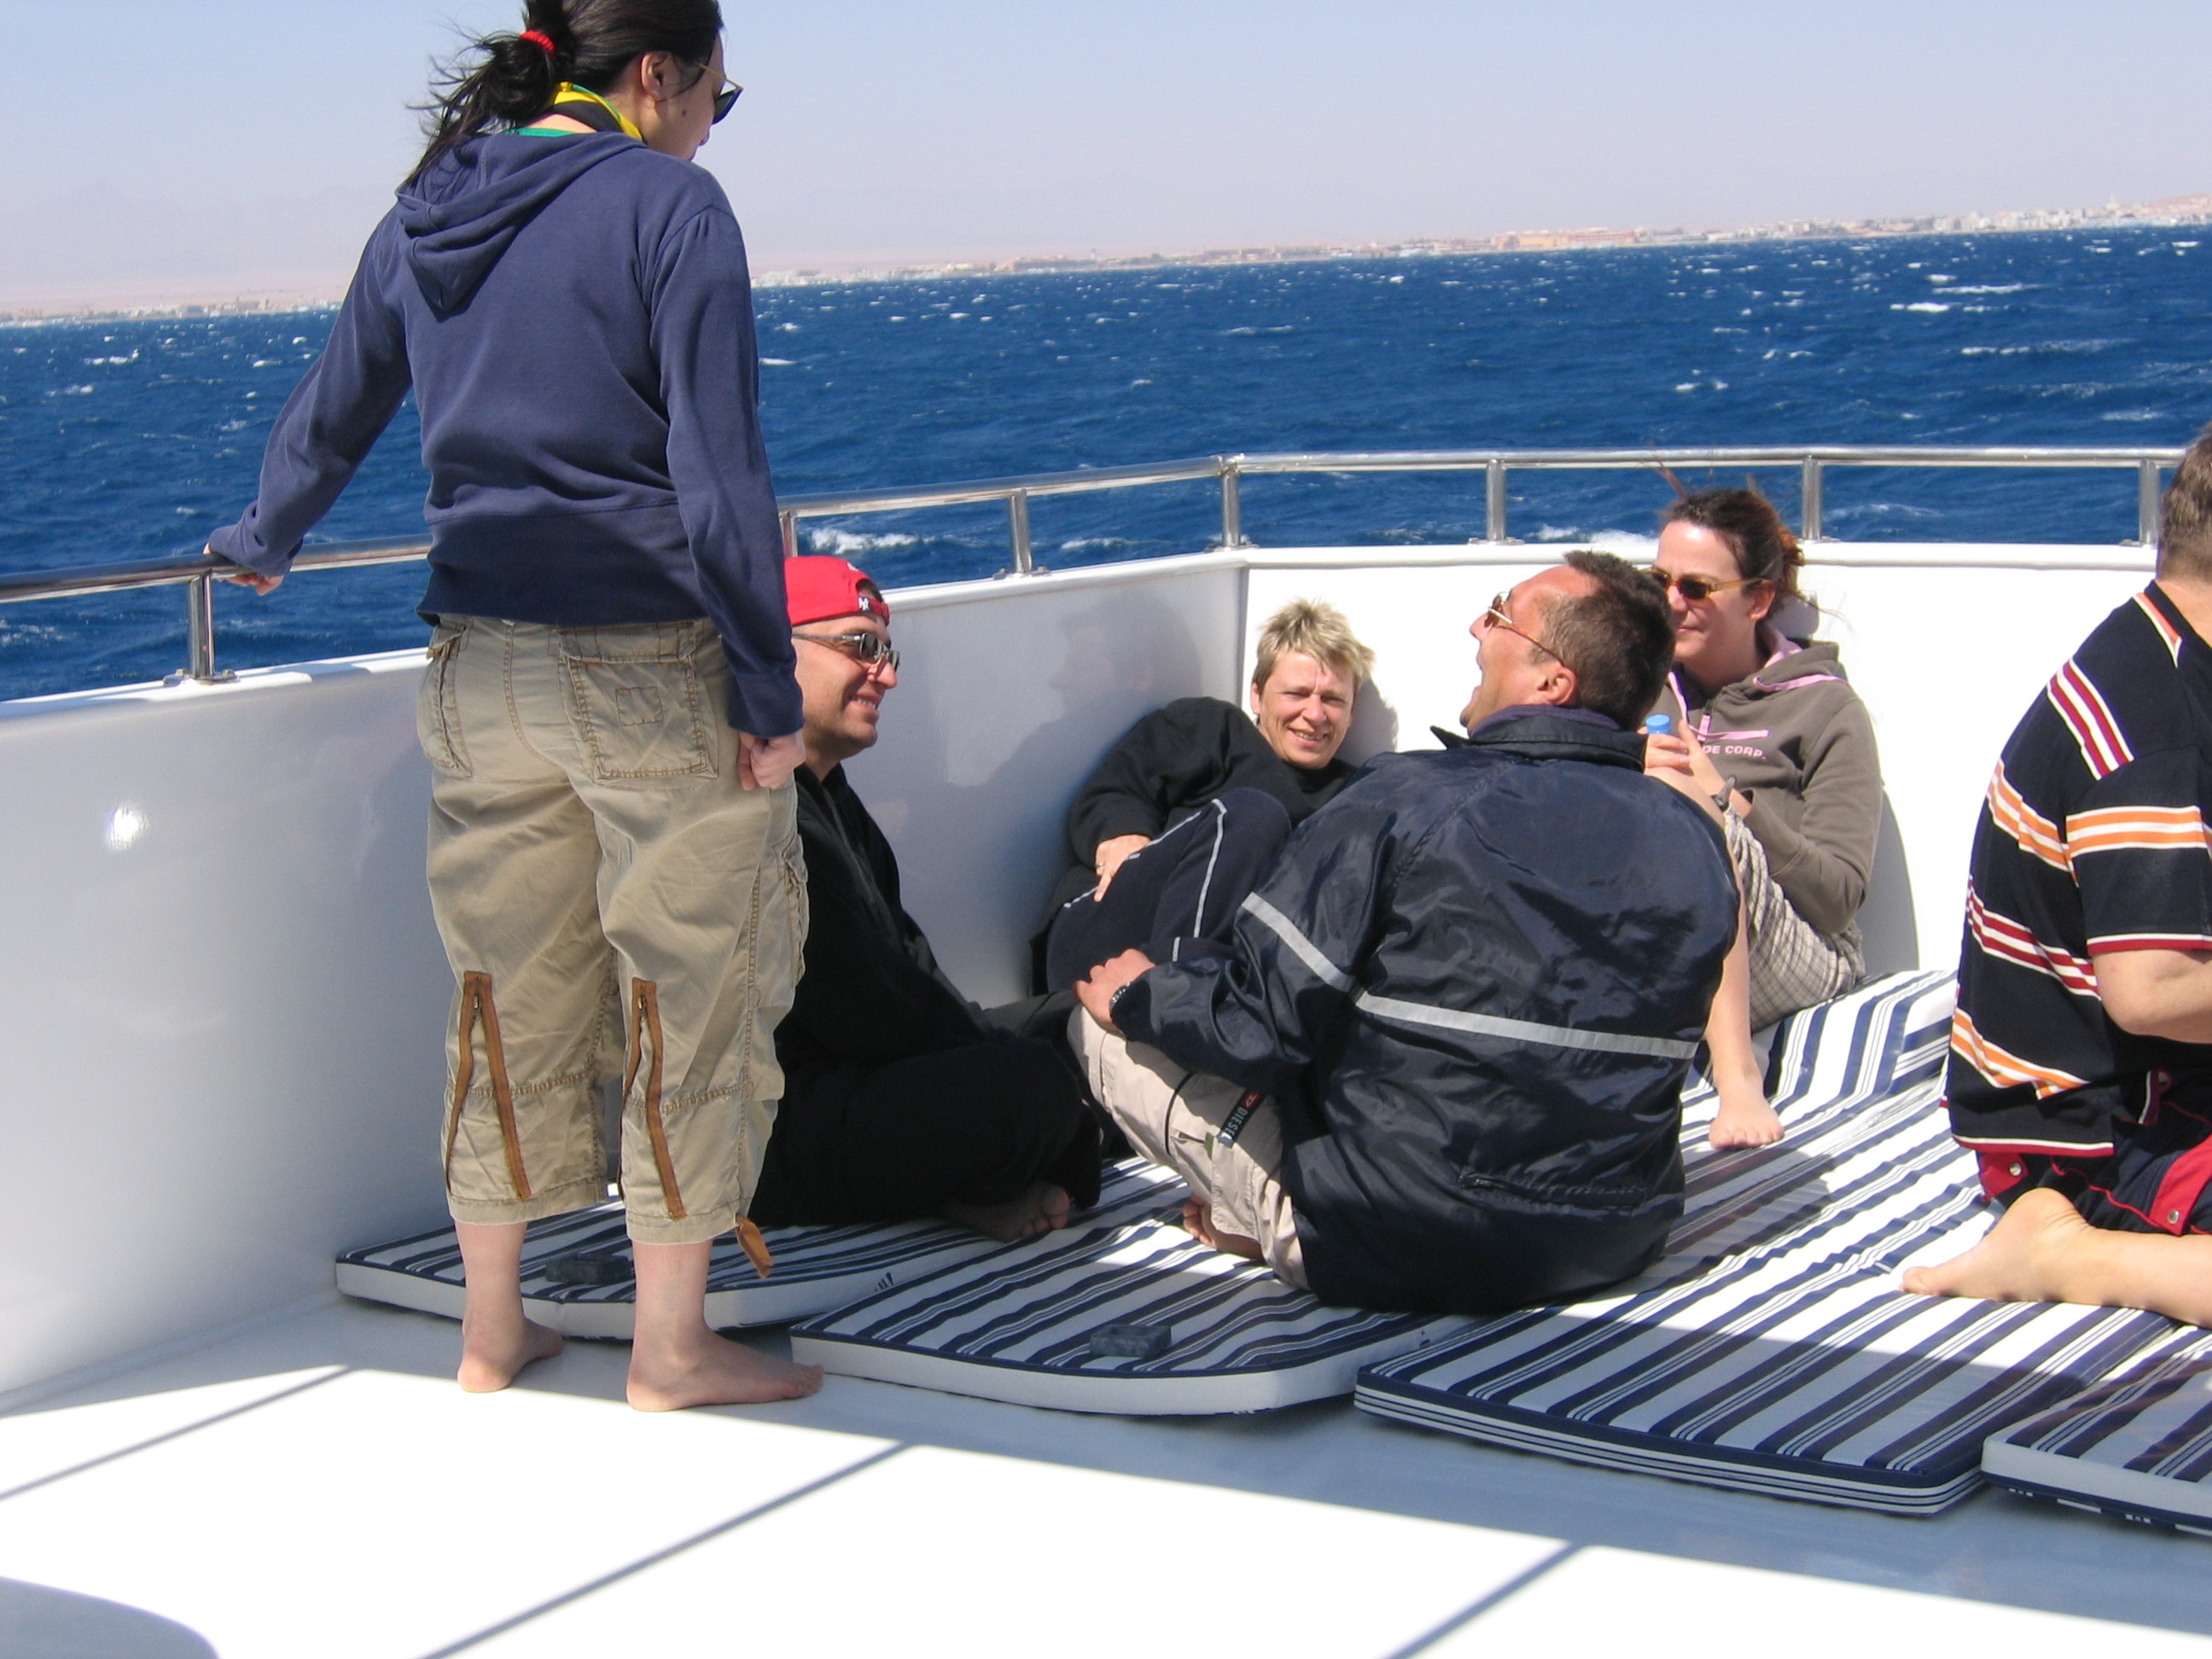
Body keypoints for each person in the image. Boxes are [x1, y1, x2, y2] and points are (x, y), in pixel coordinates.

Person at [204, 2, 823, 1409]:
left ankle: (492, 1330)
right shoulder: (670, 206)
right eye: (718, 98)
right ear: (656, 75)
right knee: (692, 987)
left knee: (503, 989)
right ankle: (671, 1349)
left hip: (478, 660)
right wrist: (765, 680)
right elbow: (720, 469)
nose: (711, 127)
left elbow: (340, 396)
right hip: (649, 657)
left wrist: (265, 533)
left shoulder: (431, 202)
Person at [1072, 554, 1738, 1315]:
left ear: (1553, 683)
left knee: (1099, 1027)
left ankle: (1266, 1220)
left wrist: (1145, 994)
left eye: (1499, 613)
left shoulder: (1400, 799)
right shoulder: (1694, 837)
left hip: (1401, 1241)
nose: (1477, 626)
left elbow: (1258, 1028)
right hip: (1613, 1234)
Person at [1903, 429, 2212, 1327]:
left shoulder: (2163, 657)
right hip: (2095, 1134)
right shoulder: (2151, 733)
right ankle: (2067, 1251)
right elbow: (2154, 991)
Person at [749, 556, 1103, 1239]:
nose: (886, 675)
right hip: (774, 1133)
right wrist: (1031, 1082)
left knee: (1078, 1023)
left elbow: (913, 971)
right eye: (862, 647)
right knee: (1034, 1087)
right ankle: (997, 1175)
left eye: (887, 653)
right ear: (774, 649)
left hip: (852, 1081)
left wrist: (1020, 1036)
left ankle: (973, 1183)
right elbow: (866, 1008)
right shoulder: (760, 815)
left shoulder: (833, 804)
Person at [1643, 488, 1883, 1150]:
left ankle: (1738, 1075)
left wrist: (1725, 796)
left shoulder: (1825, 710)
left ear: (1757, 600)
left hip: (1801, 944)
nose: (1671, 603)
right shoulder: (1641, 685)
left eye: (1696, 588)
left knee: (1690, 803)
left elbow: (1838, 898)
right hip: (1668, 927)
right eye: (1659, 581)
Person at [1043, 599, 1375, 990]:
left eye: (1333, 700)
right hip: (1100, 928)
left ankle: (1184, 996)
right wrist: (1122, 833)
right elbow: (1116, 789)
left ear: (1352, 713)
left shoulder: (1356, 798)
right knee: (1254, 815)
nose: (1315, 714)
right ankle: (1177, 993)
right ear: (1257, 694)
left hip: (1224, 972)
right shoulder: (1212, 728)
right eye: (1296, 694)